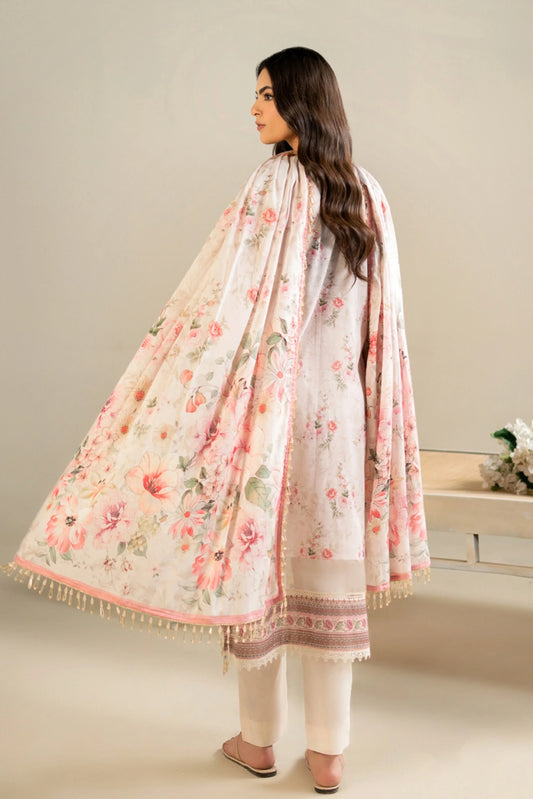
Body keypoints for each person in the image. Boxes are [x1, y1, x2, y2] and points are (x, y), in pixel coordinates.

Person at [3, 47, 430, 794]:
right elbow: (380, 322)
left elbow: (228, 305)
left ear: (300, 101)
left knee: (256, 567)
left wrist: (183, 386)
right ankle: (328, 755)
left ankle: (257, 742)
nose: (254, 108)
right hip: (338, 414)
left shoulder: (272, 183)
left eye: (266, 94)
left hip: (268, 406)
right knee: (325, 574)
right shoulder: (368, 193)